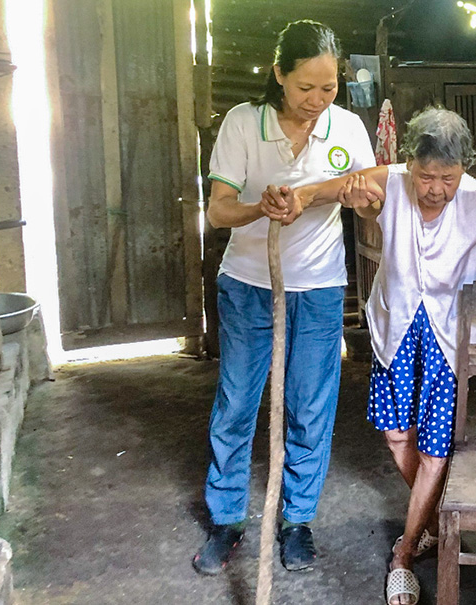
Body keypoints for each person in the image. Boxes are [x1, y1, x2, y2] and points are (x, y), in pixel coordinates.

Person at [266, 107, 476, 605]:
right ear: (409, 163)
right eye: (426, 175)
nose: (434, 189)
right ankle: (438, 520)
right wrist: (295, 199)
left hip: (447, 332)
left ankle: (404, 555)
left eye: (447, 178)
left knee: (434, 450)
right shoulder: (388, 182)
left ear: (464, 171)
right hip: (396, 323)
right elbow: (323, 189)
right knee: (396, 437)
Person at [193, 20, 375, 576]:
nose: (318, 101)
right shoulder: (243, 124)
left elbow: (371, 201)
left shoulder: (346, 127)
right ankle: (227, 519)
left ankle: (296, 521)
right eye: (305, 88)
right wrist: (260, 207)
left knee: (310, 406)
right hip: (249, 283)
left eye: (328, 87)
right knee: (238, 403)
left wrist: (360, 197)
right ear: (279, 75)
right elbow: (218, 210)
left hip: (318, 288)